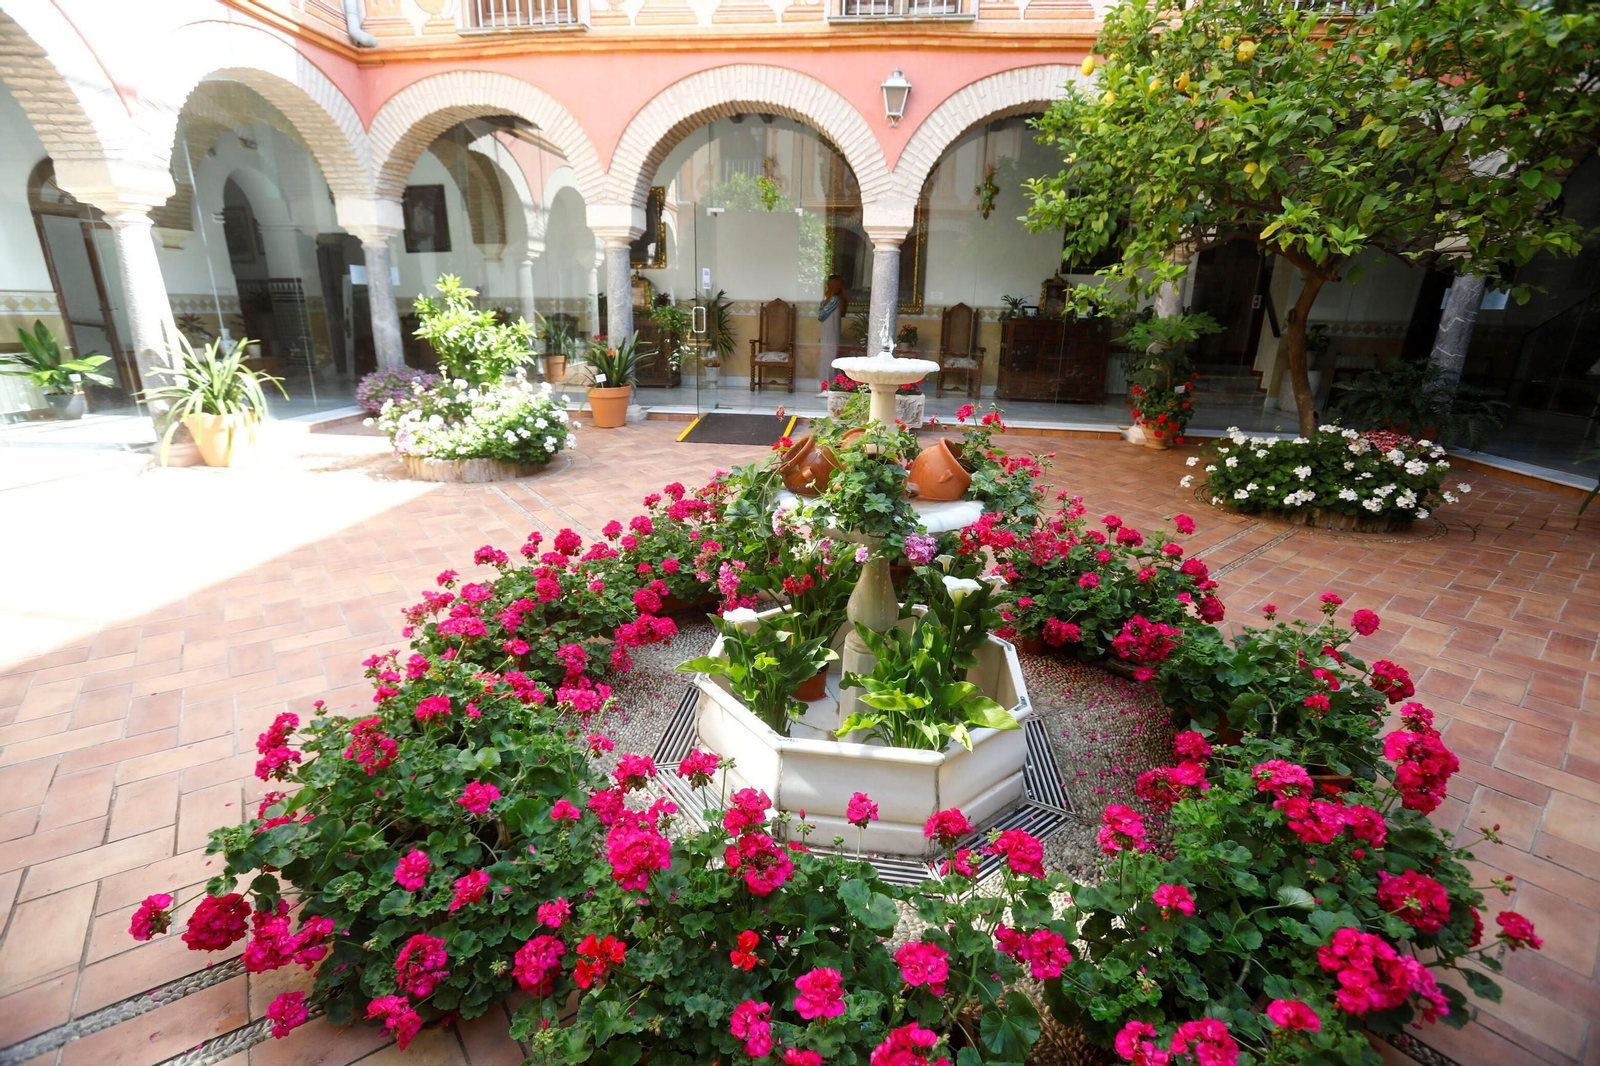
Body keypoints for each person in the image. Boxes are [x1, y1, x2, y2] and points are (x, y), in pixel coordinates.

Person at [817, 274, 846, 369]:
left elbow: (821, 316)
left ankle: (827, 383)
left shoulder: (834, 300)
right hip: (832, 334)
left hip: (829, 334)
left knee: (827, 362)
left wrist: (825, 299)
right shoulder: (839, 299)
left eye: (828, 284)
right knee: (830, 360)